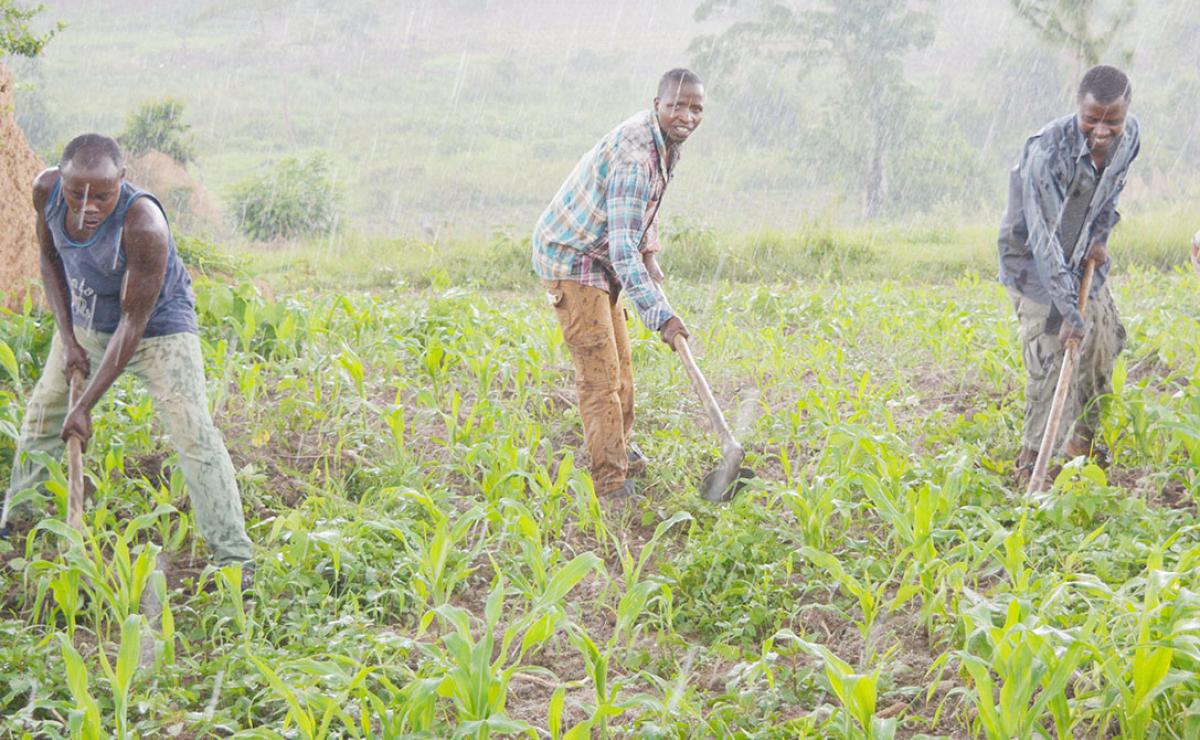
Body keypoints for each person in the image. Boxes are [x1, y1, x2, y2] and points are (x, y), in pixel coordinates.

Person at [0, 134, 254, 572]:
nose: (86, 206)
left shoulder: (143, 225)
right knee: (42, 414)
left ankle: (234, 559)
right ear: (60, 180)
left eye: (102, 195)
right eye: (76, 193)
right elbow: (49, 260)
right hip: (85, 318)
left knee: (194, 432)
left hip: (158, 329)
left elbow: (132, 323)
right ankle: (15, 524)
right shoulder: (45, 191)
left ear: (123, 181)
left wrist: (84, 405)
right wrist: (70, 339)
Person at [532, 68, 704, 500]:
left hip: (602, 255)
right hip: (573, 257)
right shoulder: (636, 155)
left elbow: (645, 208)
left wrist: (651, 252)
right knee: (600, 376)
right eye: (677, 106)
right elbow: (622, 247)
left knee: (622, 367)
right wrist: (661, 316)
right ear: (657, 105)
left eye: (696, 107)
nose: (686, 115)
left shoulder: (665, 145)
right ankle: (609, 482)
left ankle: (621, 450)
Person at [997, 65, 1140, 484]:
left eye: (1112, 120)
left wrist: (1101, 234)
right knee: (1053, 352)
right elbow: (1044, 243)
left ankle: (1085, 443)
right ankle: (1034, 465)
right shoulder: (1048, 154)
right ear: (1078, 107)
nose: (1101, 130)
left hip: (1082, 256)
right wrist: (1068, 317)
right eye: (1091, 119)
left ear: (1126, 114)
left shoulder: (1130, 137)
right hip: (1033, 262)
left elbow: (1112, 190)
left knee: (1102, 343)